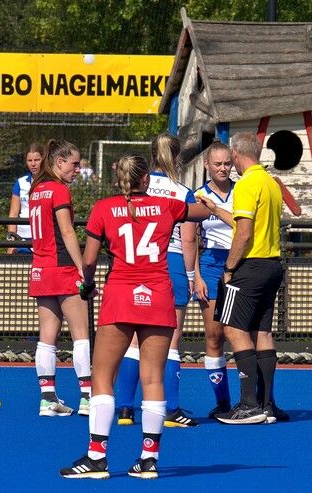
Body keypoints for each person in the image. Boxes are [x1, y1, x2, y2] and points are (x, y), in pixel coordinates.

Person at [60, 154, 211, 480]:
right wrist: (204, 199)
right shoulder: (167, 205)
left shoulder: (103, 209)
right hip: (157, 296)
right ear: (146, 179)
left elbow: (88, 262)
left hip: (120, 298)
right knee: (153, 378)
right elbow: (203, 210)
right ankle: (148, 459)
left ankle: (97, 457)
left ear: (120, 180)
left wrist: (87, 284)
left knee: (101, 376)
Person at [113, 133, 199, 428]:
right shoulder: (183, 192)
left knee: (134, 341)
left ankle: (124, 408)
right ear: (177, 158)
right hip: (170, 261)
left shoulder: (135, 187)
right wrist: (189, 276)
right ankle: (172, 409)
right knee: (171, 341)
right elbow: (188, 240)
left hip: (136, 261)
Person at [203, 132, 288, 424]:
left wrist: (228, 268)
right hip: (272, 265)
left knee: (232, 330)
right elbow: (245, 221)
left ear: (237, 155)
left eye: (231, 159)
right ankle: (267, 404)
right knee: (262, 333)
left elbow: (244, 233)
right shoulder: (271, 183)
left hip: (249, 267)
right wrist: (215, 209)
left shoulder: (247, 184)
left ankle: (248, 404)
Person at [28, 139, 92, 417]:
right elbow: (67, 233)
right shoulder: (58, 190)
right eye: (74, 164)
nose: (77, 169)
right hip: (62, 267)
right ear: (59, 162)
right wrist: (83, 269)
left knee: (47, 338)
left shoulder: (36, 190)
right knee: (81, 336)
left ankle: (47, 400)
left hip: (41, 269)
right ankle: (88, 398)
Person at [193, 141, 235, 418]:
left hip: (239, 263)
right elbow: (190, 240)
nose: (222, 168)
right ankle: (222, 402)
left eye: (227, 163)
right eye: (217, 164)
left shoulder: (242, 191)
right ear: (207, 165)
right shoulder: (197, 196)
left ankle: (259, 399)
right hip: (209, 264)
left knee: (243, 334)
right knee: (214, 333)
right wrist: (196, 276)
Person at [6, 143, 43, 254]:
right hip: (22, 238)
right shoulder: (20, 182)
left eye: (37, 160)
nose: (33, 164)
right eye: (29, 160)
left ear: (44, 159)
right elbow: (13, 215)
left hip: (43, 238)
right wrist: (11, 243)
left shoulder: (52, 183)